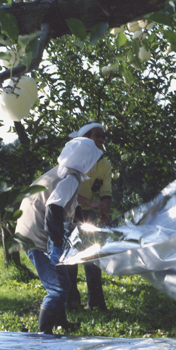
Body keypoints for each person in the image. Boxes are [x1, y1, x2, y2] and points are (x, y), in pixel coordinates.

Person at [15, 136, 103, 334]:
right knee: (57, 286)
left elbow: (68, 206)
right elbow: (54, 208)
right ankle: (43, 333)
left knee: (63, 281)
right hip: (36, 236)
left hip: (29, 230)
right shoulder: (69, 178)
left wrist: (85, 225)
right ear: (85, 159)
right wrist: (56, 244)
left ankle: (61, 322)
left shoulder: (62, 173)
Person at [65, 122, 113, 312]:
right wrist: (94, 204)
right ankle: (71, 303)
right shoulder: (72, 160)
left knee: (92, 256)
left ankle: (96, 303)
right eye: (96, 136)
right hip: (69, 211)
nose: (101, 140)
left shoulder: (104, 164)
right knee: (71, 258)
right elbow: (66, 191)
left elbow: (106, 193)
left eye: (103, 136)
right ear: (85, 139)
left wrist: (105, 211)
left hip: (88, 213)